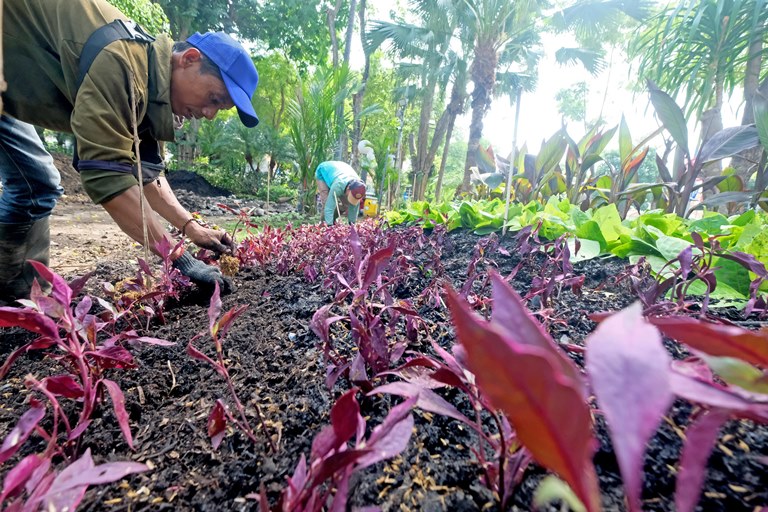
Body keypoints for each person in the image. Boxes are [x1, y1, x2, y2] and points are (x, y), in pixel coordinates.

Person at [0, 0, 260, 304]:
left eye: (220, 108)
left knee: (36, 182)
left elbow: (145, 173)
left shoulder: (150, 81)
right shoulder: (121, 63)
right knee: (36, 184)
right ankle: (17, 301)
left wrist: (191, 227)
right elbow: (111, 179)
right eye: (214, 98)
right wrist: (182, 259)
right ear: (189, 59)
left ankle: (15, 303)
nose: (210, 113)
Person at [315, 161, 366, 225]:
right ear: (348, 188)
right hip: (324, 171)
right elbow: (329, 207)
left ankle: (332, 220)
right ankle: (323, 224)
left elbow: (354, 207)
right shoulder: (338, 186)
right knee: (327, 202)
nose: (352, 198)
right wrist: (329, 227)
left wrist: (352, 225)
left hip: (341, 170)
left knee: (347, 204)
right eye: (351, 196)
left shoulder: (359, 188)